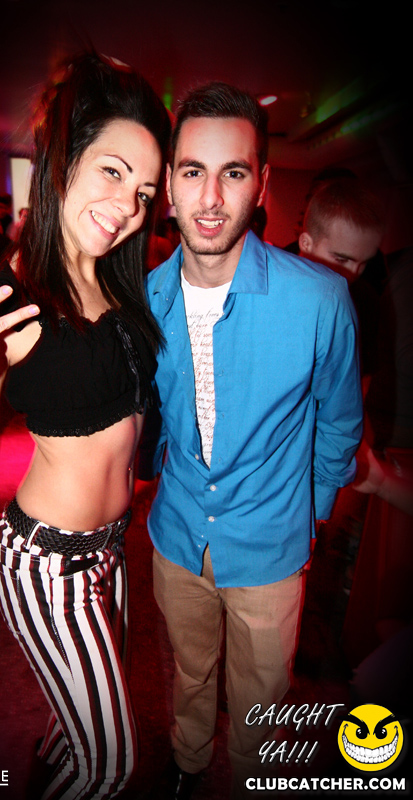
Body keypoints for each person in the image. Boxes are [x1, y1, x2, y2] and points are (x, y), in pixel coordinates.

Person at [0, 52, 170, 800]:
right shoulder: (6, 299)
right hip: (45, 563)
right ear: (63, 161)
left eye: (144, 190)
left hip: (111, 550)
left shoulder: (121, 280)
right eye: (113, 172)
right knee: (110, 764)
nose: (129, 205)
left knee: (74, 726)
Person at [144, 82, 363, 799]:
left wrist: (312, 515)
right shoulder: (143, 301)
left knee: (262, 698)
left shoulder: (322, 300)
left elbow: (339, 423)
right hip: (177, 535)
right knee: (189, 670)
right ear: (168, 181)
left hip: (271, 547)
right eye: (192, 171)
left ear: (261, 183)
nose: (210, 198)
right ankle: (186, 763)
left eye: (232, 172)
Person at [298, 178, 385, 378]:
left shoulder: (364, 299)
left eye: (364, 263)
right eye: (342, 260)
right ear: (306, 244)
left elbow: (362, 376)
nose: (354, 273)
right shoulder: (269, 285)